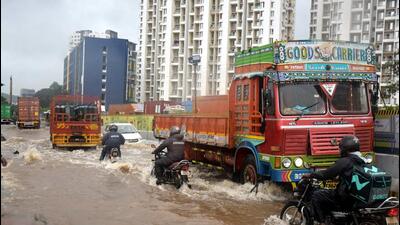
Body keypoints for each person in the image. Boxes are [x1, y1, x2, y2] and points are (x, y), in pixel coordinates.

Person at [302, 135, 367, 223]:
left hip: (344, 198)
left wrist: (310, 175)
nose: (339, 151)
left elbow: (325, 174)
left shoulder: (345, 161)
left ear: (345, 149)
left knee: (317, 195)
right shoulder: (363, 160)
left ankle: (321, 222)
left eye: (340, 148)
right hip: (357, 197)